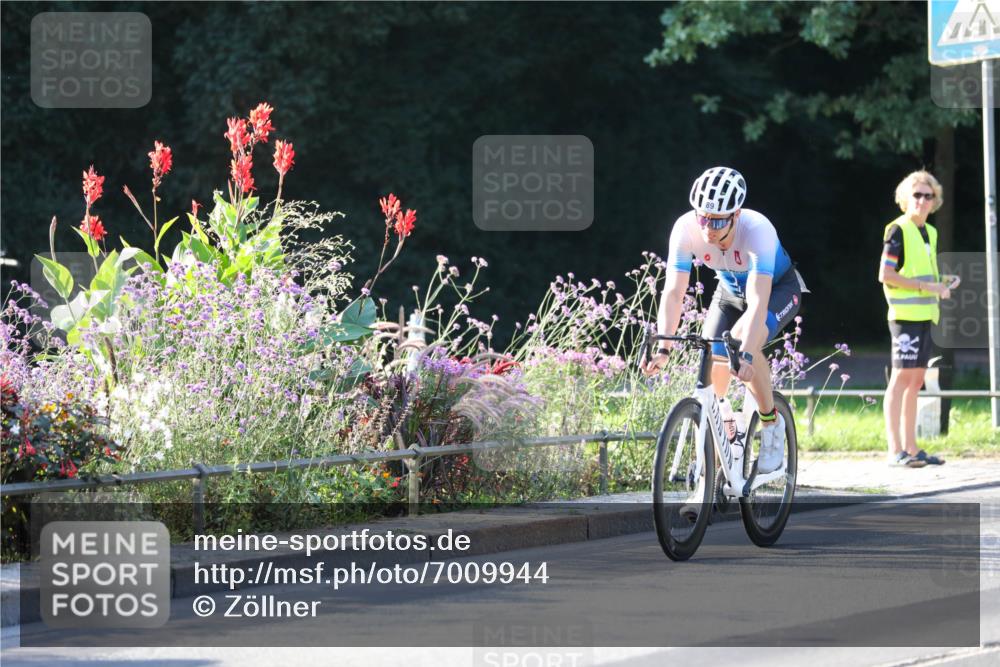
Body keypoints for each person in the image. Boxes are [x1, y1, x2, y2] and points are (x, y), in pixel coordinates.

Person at [643, 166, 806, 489]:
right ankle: (721, 440)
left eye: (717, 220)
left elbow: (758, 303)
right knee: (711, 355)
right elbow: (674, 292)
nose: (708, 228)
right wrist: (663, 348)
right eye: (703, 217)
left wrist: (745, 355)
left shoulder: (757, 229)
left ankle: (771, 425)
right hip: (729, 293)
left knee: (743, 338)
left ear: (736, 215)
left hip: (777, 290)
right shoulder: (685, 229)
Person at [878, 170, 951, 468]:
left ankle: (912, 448)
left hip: (925, 315)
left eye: (928, 195)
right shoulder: (897, 230)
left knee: (917, 380)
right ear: (905, 198)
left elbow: (922, 273)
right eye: (916, 194)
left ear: (935, 201)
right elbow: (886, 274)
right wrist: (928, 286)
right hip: (904, 317)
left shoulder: (930, 232)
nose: (921, 200)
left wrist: (942, 281)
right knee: (900, 380)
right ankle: (895, 450)